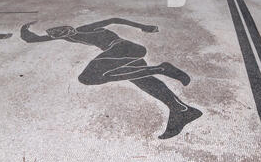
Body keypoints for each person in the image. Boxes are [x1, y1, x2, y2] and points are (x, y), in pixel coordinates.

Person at [21, 18, 202, 139]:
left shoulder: (84, 28)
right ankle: (181, 110)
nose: (62, 32)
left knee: (88, 77)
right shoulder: (68, 37)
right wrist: (24, 28)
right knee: (146, 82)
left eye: (63, 29)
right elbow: (31, 40)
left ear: (68, 27)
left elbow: (114, 19)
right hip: (121, 55)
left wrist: (142, 26)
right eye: (57, 33)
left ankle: (161, 68)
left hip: (123, 48)